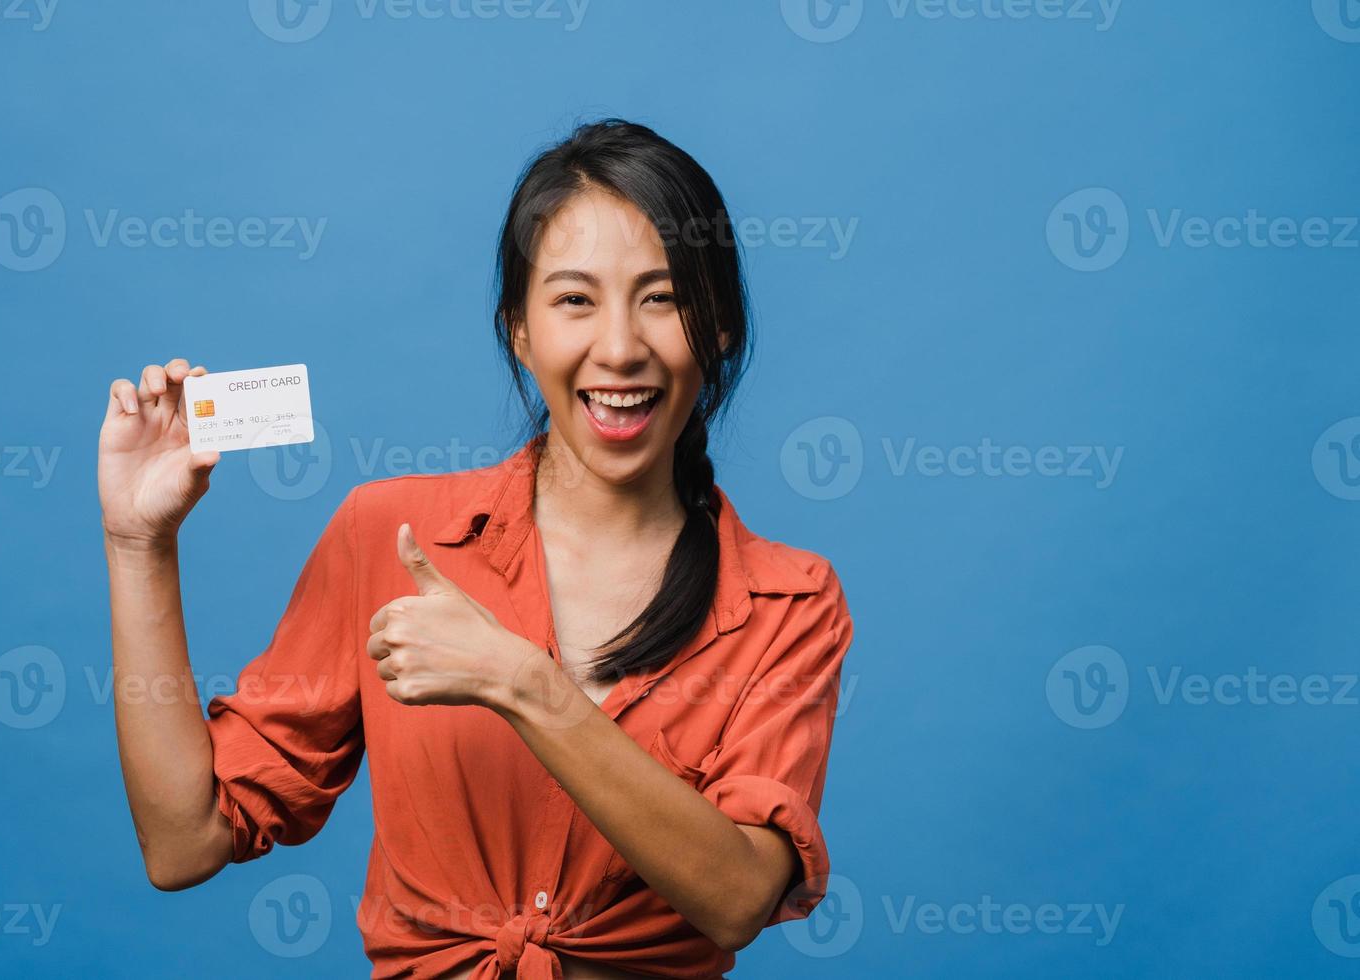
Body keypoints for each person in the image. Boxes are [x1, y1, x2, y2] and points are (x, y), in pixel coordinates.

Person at [97, 118, 855, 979]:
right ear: (520, 332)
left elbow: (738, 897)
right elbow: (183, 842)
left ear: (717, 328)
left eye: (664, 296)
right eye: (575, 299)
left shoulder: (788, 602)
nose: (619, 347)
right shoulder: (386, 533)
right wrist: (137, 543)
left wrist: (523, 683)